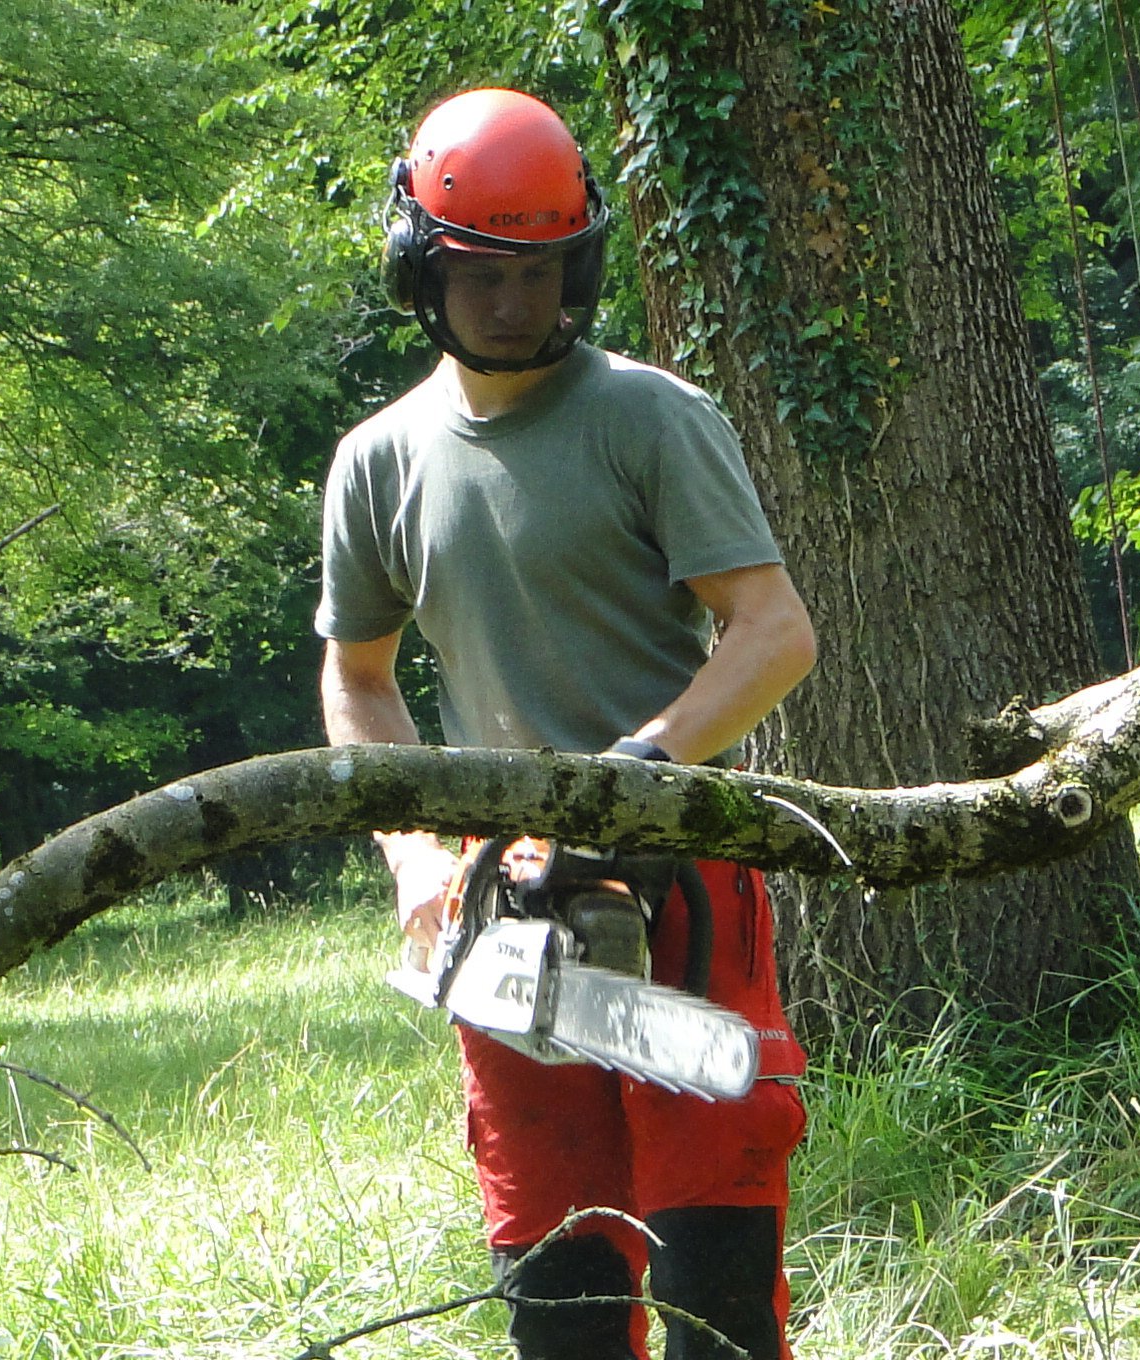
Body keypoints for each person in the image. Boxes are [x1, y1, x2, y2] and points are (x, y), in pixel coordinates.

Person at [315, 87, 818, 1360]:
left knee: (715, 1287)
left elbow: (774, 631)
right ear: (422, 266)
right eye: (482, 271)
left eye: (540, 270)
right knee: (559, 1290)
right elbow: (359, 677)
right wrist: (416, 854)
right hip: (501, 899)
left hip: (679, 877)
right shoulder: (379, 460)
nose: (514, 301)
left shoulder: (650, 416)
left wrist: (640, 767)